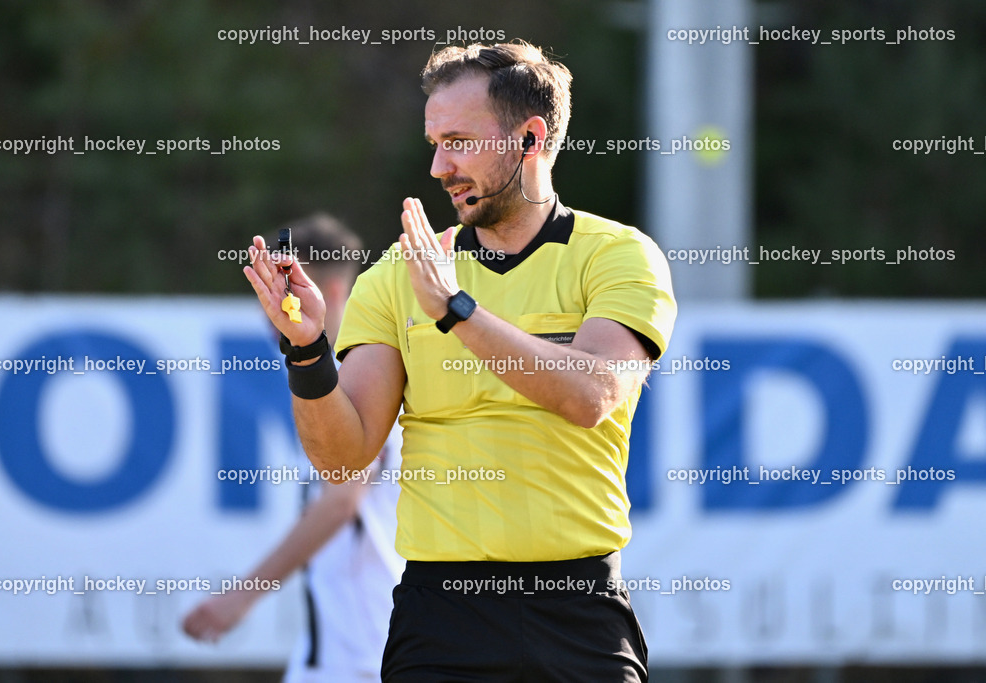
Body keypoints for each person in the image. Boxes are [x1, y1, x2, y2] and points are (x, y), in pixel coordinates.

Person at [243, 40, 677, 682]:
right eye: (434, 142)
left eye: (459, 141)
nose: (439, 166)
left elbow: (592, 395)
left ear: (529, 139)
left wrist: (456, 309)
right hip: (439, 619)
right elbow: (342, 456)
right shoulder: (397, 275)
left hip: (578, 612)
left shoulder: (618, 255)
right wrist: (305, 350)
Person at [183, 214, 404, 683]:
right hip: (341, 645)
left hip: (363, 651)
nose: (273, 312)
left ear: (336, 293)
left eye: (286, 292)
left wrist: (242, 595)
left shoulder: (363, 374)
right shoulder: (329, 377)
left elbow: (342, 502)